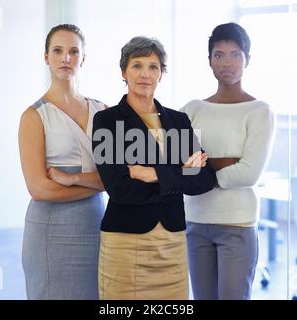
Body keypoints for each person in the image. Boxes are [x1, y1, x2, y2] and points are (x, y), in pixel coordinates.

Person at [92, 36, 216, 300]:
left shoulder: (178, 120)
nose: (145, 74)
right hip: (125, 241)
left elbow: (204, 179)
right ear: (123, 72)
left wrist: (149, 173)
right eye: (137, 66)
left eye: (153, 66)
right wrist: (178, 173)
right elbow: (119, 188)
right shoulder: (107, 121)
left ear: (162, 74)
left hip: (172, 241)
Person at [181, 22, 275, 300]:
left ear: (248, 59)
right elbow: (176, 165)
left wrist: (201, 168)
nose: (227, 62)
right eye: (218, 54)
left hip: (237, 224)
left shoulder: (259, 111)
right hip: (195, 223)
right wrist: (228, 161)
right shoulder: (191, 109)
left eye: (235, 54)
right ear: (209, 60)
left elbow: (249, 173)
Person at [18, 24, 107, 300]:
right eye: (58, 51)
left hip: (94, 227)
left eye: (73, 51)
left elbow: (115, 176)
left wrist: (74, 178)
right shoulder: (33, 116)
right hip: (49, 231)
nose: (66, 58)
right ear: (47, 57)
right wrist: (99, 185)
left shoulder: (102, 111)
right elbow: (39, 189)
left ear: (83, 58)